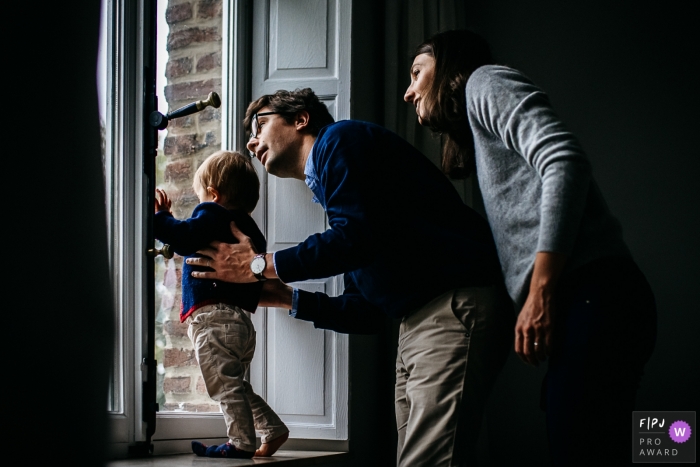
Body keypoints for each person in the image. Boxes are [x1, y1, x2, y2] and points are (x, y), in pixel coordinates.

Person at [186, 88, 515, 466]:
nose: (251, 140)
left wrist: (259, 265)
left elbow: (353, 239)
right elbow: (366, 312)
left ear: (301, 118)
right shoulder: (342, 188)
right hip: (417, 323)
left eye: (260, 123)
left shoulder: (340, 141)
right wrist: (284, 297)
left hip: (452, 307)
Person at [403, 29, 657, 466]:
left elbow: (564, 159)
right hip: (591, 299)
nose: (409, 92)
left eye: (416, 73)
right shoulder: (481, 125)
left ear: (446, 66)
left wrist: (539, 293)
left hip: (593, 293)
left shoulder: (484, 81)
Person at [154, 150, 289, 459]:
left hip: (214, 320)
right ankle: (272, 428)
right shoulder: (250, 230)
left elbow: (185, 238)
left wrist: (161, 219)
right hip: (240, 323)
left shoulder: (213, 214)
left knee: (224, 386)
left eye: (201, 195)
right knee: (235, 384)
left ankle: (241, 443)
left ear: (213, 194)